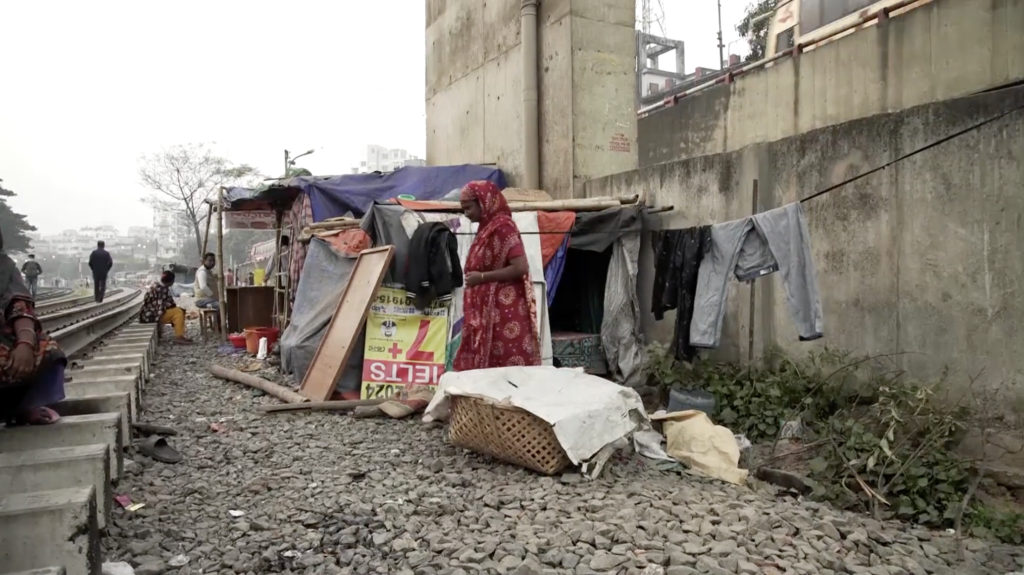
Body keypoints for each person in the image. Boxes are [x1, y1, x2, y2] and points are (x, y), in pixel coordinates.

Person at [453, 180, 540, 371]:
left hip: (504, 310)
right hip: (487, 309)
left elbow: (520, 267)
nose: (466, 214)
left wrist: (482, 277)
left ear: (483, 202)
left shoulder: (502, 227)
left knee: (507, 362)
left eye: (468, 208)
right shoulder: (486, 228)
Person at [0, 247, 66, 425]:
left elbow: (19, 306)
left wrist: (25, 344)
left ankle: (24, 406)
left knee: (48, 350)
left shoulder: (4, 268)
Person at [140, 271, 191, 344]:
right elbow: (163, 307)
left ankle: (180, 335)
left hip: (146, 315)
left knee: (177, 311)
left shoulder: (156, 284)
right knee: (178, 312)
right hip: (152, 316)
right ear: (171, 281)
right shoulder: (162, 289)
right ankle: (179, 337)